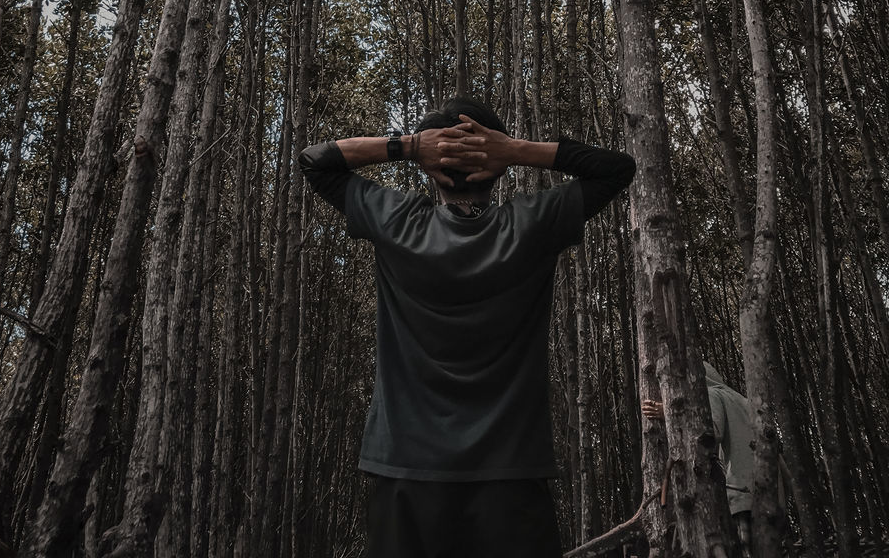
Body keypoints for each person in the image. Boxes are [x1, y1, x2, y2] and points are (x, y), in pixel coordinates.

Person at [298, 94, 637, 558]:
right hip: (510, 474)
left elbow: (316, 162)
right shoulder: (531, 225)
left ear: (430, 168)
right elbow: (617, 169)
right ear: (495, 164)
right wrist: (514, 150)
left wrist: (410, 146)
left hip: (405, 469)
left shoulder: (397, 222)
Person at [641, 360, 788, 557]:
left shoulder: (712, 394)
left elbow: (711, 433)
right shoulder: (744, 400)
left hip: (743, 491)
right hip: (773, 491)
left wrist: (668, 414)